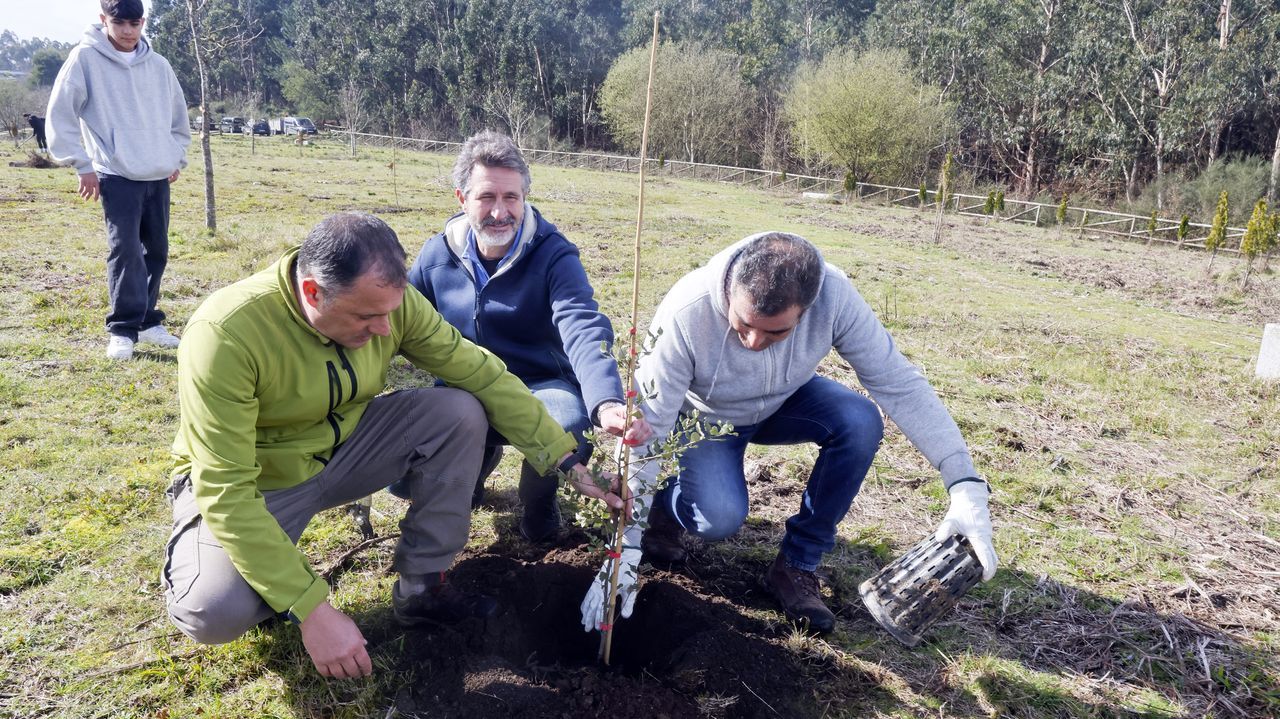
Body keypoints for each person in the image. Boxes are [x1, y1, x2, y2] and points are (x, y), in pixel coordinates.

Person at [164, 212, 627, 679]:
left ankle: (422, 586)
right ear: (312, 293)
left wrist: (566, 460)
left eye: (390, 312)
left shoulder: (390, 305)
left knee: (458, 411)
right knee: (212, 612)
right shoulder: (227, 333)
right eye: (367, 316)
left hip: (346, 449)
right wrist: (311, 608)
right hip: (261, 482)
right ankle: (270, 578)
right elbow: (226, 488)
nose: (386, 330)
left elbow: (479, 371)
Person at [580, 232, 998, 635]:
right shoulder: (686, 312)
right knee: (717, 518)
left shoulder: (833, 296)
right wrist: (626, 546)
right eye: (743, 324)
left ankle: (797, 564)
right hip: (707, 420)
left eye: (776, 332)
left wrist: (963, 482)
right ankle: (666, 510)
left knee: (859, 420)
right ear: (730, 291)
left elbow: (898, 381)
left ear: (807, 307)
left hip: (786, 403)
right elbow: (647, 429)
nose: (754, 341)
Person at [404, 130, 652, 541]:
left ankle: (538, 505)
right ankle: (472, 473)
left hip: (540, 384)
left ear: (525, 198)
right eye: (486, 197)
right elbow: (398, 322)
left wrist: (607, 402)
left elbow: (582, 322)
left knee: (568, 422)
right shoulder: (436, 256)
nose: (499, 212)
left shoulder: (554, 254)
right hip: (464, 387)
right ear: (461, 199)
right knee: (405, 481)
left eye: (511, 198)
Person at [45, 0, 190, 361]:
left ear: (143, 22)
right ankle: (123, 329)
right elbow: (61, 113)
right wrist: (82, 165)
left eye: (135, 22)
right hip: (116, 173)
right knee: (125, 250)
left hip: (157, 173)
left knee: (156, 251)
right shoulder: (84, 60)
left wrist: (174, 156)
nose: (127, 30)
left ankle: (147, 322)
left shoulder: (159, 65)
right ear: (103, 20)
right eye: (119, 22)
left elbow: (178, 117)